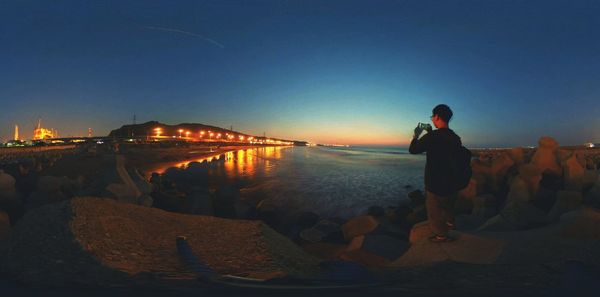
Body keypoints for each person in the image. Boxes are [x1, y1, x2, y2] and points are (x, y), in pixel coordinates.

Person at [409, 104, 462, 242]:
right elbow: (443, 147)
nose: (432, 119)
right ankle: (451, 223)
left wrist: (416, 135)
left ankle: (441, 236)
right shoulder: (456, 137)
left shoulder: (432, 137)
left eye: (432, 116)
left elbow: (413, 150)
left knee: (434, 212)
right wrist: (430, 133)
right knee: (448, 206)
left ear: (437, 116)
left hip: (435, 182)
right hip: (453, 182)